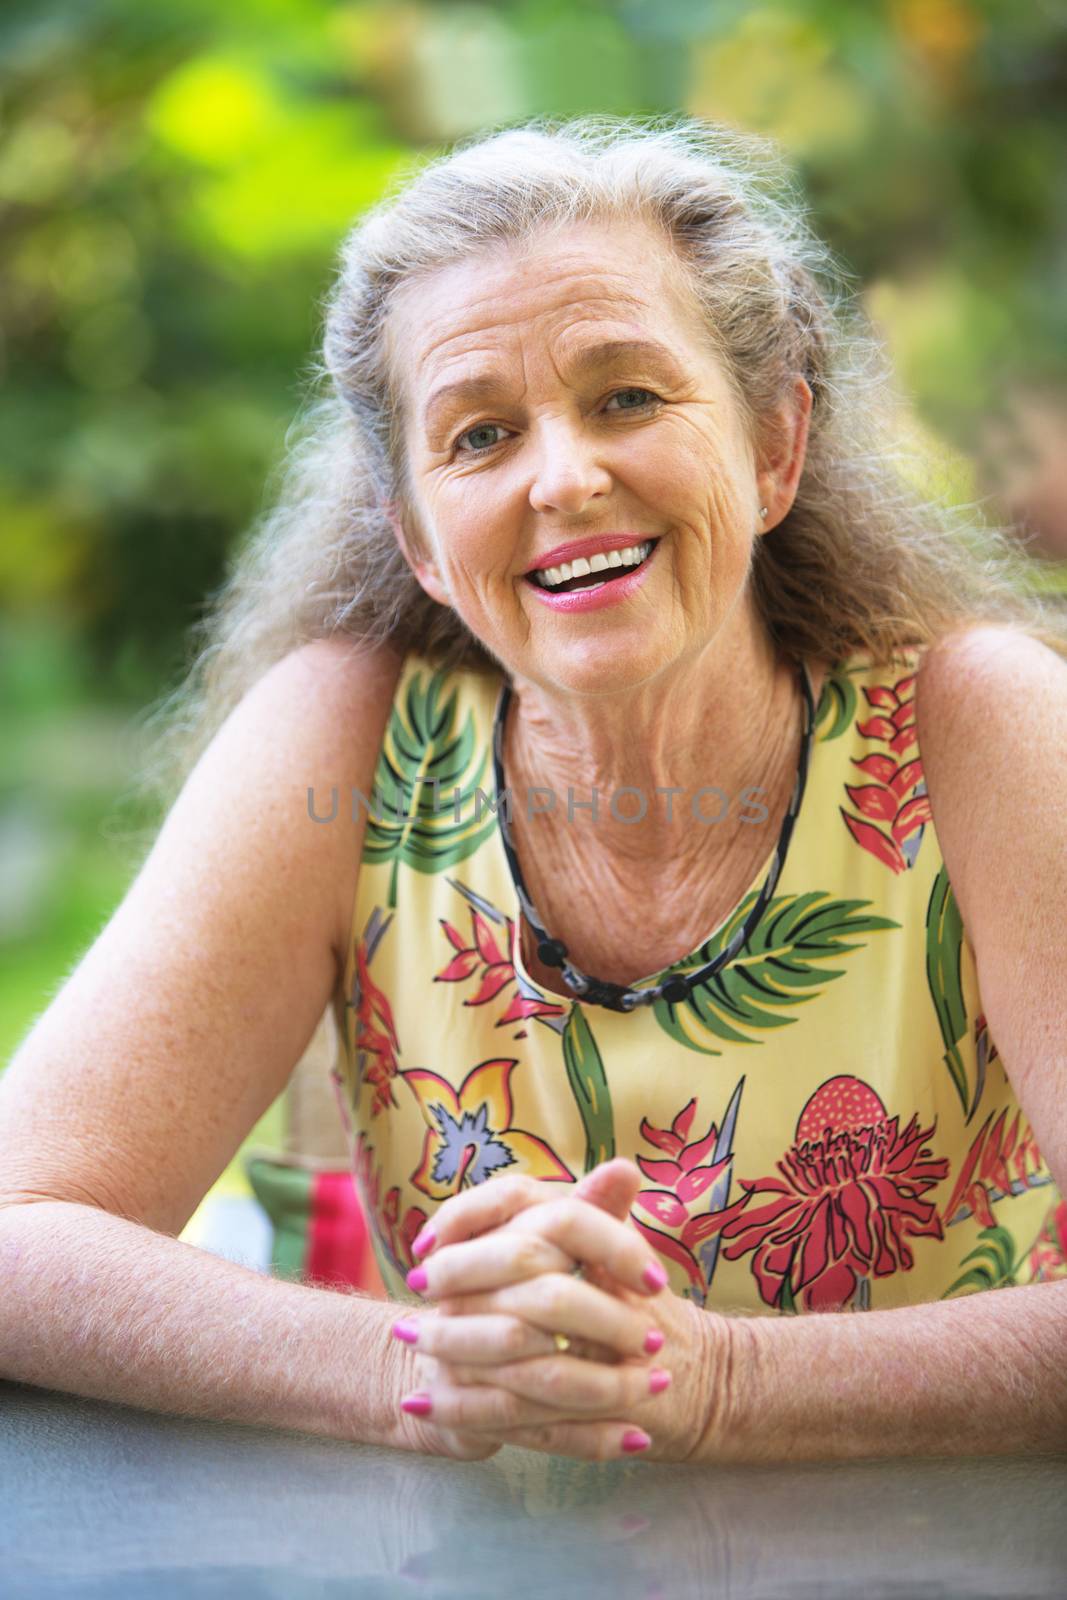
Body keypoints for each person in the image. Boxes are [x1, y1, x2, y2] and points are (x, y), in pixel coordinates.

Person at [1, 116, 1065, 1467]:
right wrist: (419, 1366)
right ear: (421, 542)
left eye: (627, 396)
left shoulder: (980, 728)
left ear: (775, 445)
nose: (565, 478)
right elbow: (18, 1227)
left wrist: (716, 1380)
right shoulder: (347, 739)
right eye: (481, 434)